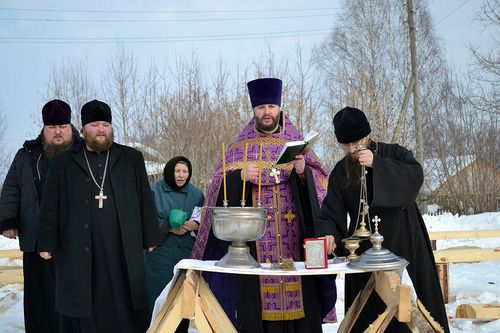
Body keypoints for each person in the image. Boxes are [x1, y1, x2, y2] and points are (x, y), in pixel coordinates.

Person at [192, 78, 336, 333]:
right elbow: (216, 188)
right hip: (253, 251)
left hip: (296, 246)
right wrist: (239, 177)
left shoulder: (297, 142)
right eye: (261, 108)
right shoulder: (238, 149)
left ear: (279, 107)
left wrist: (304, 174)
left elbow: (323, 187)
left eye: (271, 106)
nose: (267, 112)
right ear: (253, 110)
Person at [314, 106, 450, 332]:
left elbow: (415, 177)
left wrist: (378, 164)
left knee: (413, 315)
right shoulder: (341, 170)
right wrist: (329, 235)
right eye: (345, 145)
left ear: (367, 135)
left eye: (356, 143)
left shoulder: (394, 153)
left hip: (404, 242)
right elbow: (331, 211)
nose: (351, 150)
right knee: (368, 316)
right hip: (365, 251)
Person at [38, 99, 162, 333]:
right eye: (95, 124)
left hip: (122, 245)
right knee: (86, 302)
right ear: (83, 129)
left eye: (105, 124)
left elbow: (144, 198)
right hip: (79, 247)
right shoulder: (62, 162)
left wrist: (150, 236)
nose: (101, 130)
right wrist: (46, 241)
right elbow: (49, 206)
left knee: (128, 303)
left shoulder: (131, 158)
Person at [0, 99, 80, 333]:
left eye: (62, 127)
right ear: (44, 129)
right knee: (41, 297)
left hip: (75, 239)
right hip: (36, 237)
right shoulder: (27, 154)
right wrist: (8, 220)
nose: (57, 132)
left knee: (75, 294)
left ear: (70, 126)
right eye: (52, 128)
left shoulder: (84, 152)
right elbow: (12, 187)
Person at [144, 156, 205, 328]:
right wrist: (168, 226)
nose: (181, 175)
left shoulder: (197, 194)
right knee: (160, 299)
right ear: (169, 171)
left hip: (186, 253)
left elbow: (202, 217)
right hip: (160, 254)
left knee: (183, 300)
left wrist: (194, 224)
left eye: (185, 171)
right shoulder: (154, 191)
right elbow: (145, 220)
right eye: (177, 171)